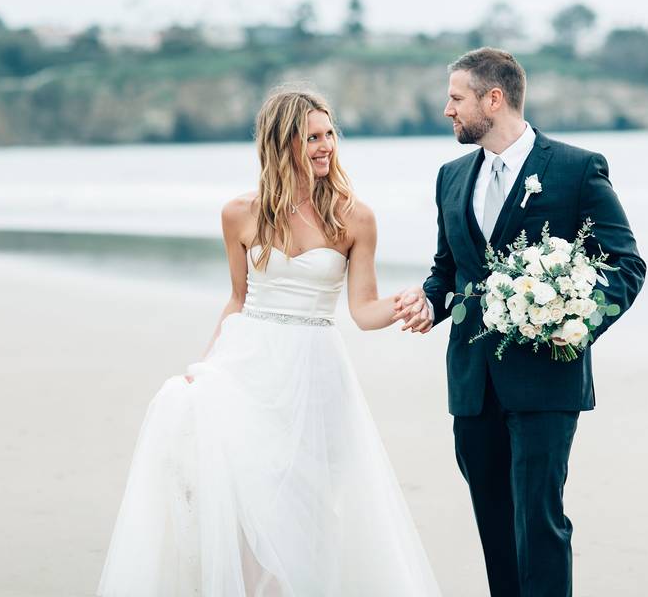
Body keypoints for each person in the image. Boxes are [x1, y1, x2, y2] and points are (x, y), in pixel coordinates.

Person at [97, 89, 442, 597]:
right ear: (282, 145)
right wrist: (207, 364)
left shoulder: (355, 217)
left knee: (311, 505)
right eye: (312, 138)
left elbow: (364, 311)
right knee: (244, 504)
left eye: (329, 134)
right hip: (248, 368)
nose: (326, 147)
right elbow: (237, 299)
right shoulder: (238, 214)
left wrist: (414, 303)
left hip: (317, 372)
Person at [395, 47, 646, 597]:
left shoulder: (577, 169)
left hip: (545, 381)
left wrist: (575, 321)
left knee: (540, 524)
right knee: (495, 526)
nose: (447, 110)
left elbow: (626, 265)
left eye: (456, 98)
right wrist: (430, 303)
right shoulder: (451, 176)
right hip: (472, 385)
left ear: (494, 98)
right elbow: (449, 269)